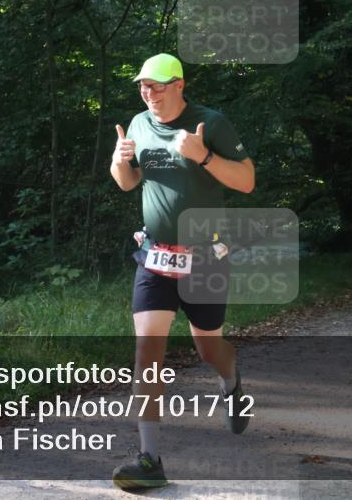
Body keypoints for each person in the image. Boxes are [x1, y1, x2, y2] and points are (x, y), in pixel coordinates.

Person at [109, 53, 255, 490]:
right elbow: (128, 182)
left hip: (205, 257)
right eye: (143, 86)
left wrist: (203, 156)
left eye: (156, 85)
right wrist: (119, 161)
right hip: (155, 256)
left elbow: (247, 181)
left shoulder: (212, 123)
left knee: (208, 349)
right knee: (147, 353)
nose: (148, 93)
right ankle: (149, 459)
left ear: (179, 85)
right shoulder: (138, 124)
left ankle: (231, 382)